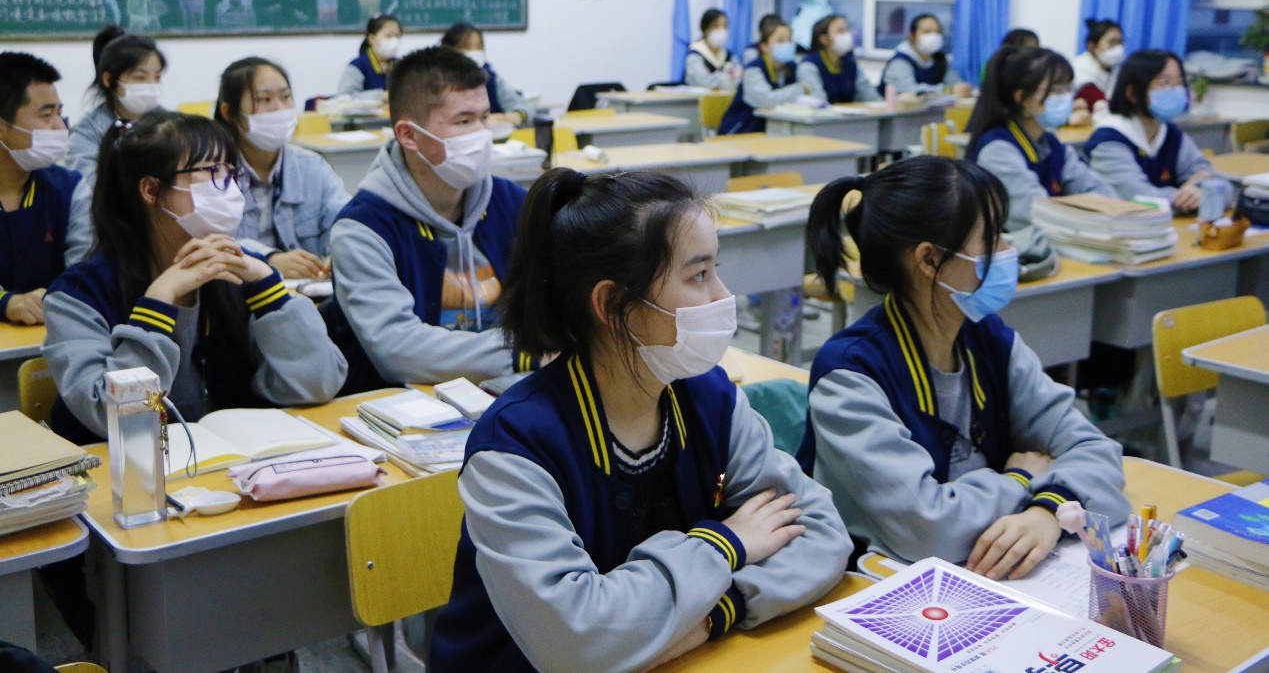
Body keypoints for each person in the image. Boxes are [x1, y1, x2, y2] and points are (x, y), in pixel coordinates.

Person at [430, 169, 850, 673]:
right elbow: (576, 640)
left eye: (715, 269)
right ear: (613, 305)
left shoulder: (709, 396)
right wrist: (725, 543)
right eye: (698, 276)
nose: (724, 295)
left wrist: (721, 610)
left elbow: (822, 532)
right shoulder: (516, 445)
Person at [799, 156, 1129, 575]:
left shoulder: (990, 340)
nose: (1008, 251)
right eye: (992, 238)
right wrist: (1018, 480)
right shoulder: (849, 375)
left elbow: (1096, 451)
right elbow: (927, 528)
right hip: (876, 586)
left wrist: (1048, 511)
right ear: (929, 259)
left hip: (981, 576)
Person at [43, 112, 347, 444]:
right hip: (127, 469)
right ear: (152, 190)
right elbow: (121, 419)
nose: (229, 188)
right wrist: (159, 302)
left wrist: (269, 288)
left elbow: (320, 384)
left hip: (235, 460)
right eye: (212, 172)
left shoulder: (241, 272)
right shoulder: (78, 295)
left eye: (231, 172)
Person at [325, 47, 536, 394]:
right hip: (405, 406)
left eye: (484, 118)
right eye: (463, 121)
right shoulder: (361, 229)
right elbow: (398, 348)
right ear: (409, 135)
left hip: (508, 393)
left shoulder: (512, 202)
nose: (482, 134)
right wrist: (522, 353)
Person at [214, 57, 350, 277]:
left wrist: (341, 252)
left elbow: (346, 221)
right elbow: (211, 241)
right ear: (229, 112)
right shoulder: (211, 175)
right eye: (264, 99)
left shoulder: (311, 167)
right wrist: (268, 260)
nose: (279, 108)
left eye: (286, 97)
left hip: (310, 292)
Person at [966, 46, 1116, 230]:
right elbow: (1035, 214)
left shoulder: (1052, 144)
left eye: (1068, 88)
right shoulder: (997, 150)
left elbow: (1097, 190)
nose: (1067, 97)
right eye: (1056, 90)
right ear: (1022, 98)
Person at [1085, 50, 1234, 212]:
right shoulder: (1109, 141)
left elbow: (1222, 187)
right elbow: (1138, 198)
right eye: (1165, 82)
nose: (1176, 90)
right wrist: (1190, 195)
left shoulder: (1171, 134)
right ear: (1132, 93)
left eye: (1180, 81)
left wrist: (1200, 192)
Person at [0, 53, 83, 327]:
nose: (61, 126)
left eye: (59, 113)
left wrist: (55, 300)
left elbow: (86, 270)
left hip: (51, 335)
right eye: (46, 115)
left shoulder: (71, 188)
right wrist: (6, 302)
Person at [68, 25, 167, 185]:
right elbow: (88, 189)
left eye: (157, 77)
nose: (151, 85)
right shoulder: (87, 133)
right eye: (139, 78)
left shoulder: (172, 123)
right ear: (108, 80)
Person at [717, 17, 807, 135]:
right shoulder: (753, 69)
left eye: (789, 40)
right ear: (764, 46)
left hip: (773, 130)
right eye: (780, 41)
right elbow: (767, 100)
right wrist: (800, 89)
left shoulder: (791, 67)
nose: (787, 45)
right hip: (743, 129)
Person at [439, 22, 535, 124]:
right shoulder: (437, 81)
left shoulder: (490, 77)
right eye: (466, 46)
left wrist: (512, 117)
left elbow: (525, 107)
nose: (474, 51)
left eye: (479, 46)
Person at [881, 14, 971, 97]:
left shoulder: (939, 58)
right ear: (912, 35)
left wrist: (962, 88)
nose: (933, 36)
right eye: (927, 32)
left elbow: (953, 82)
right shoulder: (900, 61)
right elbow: (909, 90)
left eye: (937, 32)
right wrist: (948, 90)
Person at [797, 14, 880, 105]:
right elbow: (817, 101)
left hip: (848, 113)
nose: (847, 34)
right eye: (840, 31)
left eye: (847, 30)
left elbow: (871, 97)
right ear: (824, 39)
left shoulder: (850, 64)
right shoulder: (809, 65)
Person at [1071, 18, 1124, 124]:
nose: (1118, 47)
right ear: (1092, 46)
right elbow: (1095, 100)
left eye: (1120, 42)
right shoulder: (1080, 66)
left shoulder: (1116, 69)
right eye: (1112, 42)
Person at [337, 14, 402, 95]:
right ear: (372, 39)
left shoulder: (402, 65)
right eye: (388, 36)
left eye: (397, 36)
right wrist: (381, 95)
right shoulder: (358, 66)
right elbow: (345, 96)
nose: (394, 41)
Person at [684, 8, 742, 91]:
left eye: (724, 26)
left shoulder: (728, 55)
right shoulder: (695, 53)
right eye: (716, 26)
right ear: (705, 29)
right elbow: (702, 81)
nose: (721, 30)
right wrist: (727, 78)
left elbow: (740, 77)